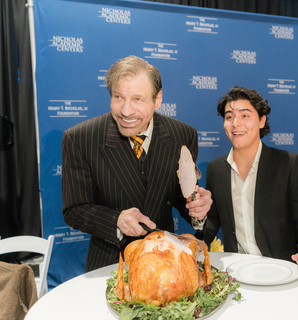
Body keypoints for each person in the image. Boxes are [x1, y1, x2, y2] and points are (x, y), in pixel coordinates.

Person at [61, 55, 212, 272]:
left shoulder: (183, 135)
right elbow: (74, 210)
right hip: (111, 264)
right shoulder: (80, 138)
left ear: (157, 100)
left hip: (167, 261)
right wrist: (116, 219)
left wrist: (197, 209)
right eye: (118, 97)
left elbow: (180, 197)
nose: (126, 111)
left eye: (138, 99)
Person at [200, 86, 298, 279]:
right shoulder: (216, 168)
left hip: (282, 272)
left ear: (261, 120)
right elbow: (213, 220)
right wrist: (197, 242)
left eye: (245, 116)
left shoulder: (289, 164)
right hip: (236, 273)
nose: (235, 123)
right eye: (229, 116)